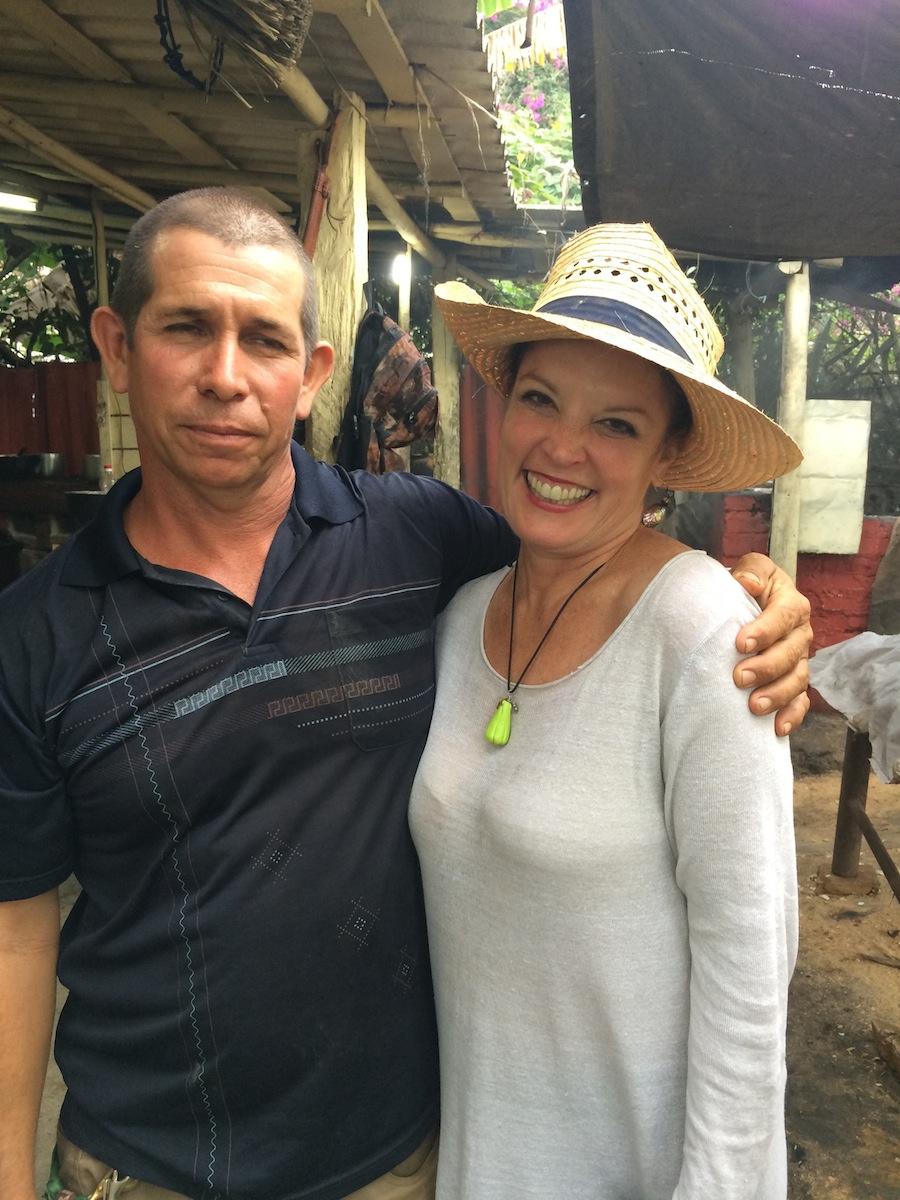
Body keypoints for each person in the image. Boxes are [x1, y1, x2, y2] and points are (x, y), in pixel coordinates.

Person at [0, 191, 809, 1200]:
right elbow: (16, 928)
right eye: (186, 329)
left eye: (263, 340)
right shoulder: (42, 633)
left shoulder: (423, 544)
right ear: (117, 350)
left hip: (414, 1163)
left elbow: (749, 978)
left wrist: (761, 598)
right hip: (170, 1165)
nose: (224, 377)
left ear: (313, 377)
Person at [410, 222, 802, 1199]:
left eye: (617, 424)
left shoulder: (706, 636)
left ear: (667, 453)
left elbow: (748, 982)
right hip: (479, 1163)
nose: (564, 447)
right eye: (540, 398)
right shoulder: (458, 622)